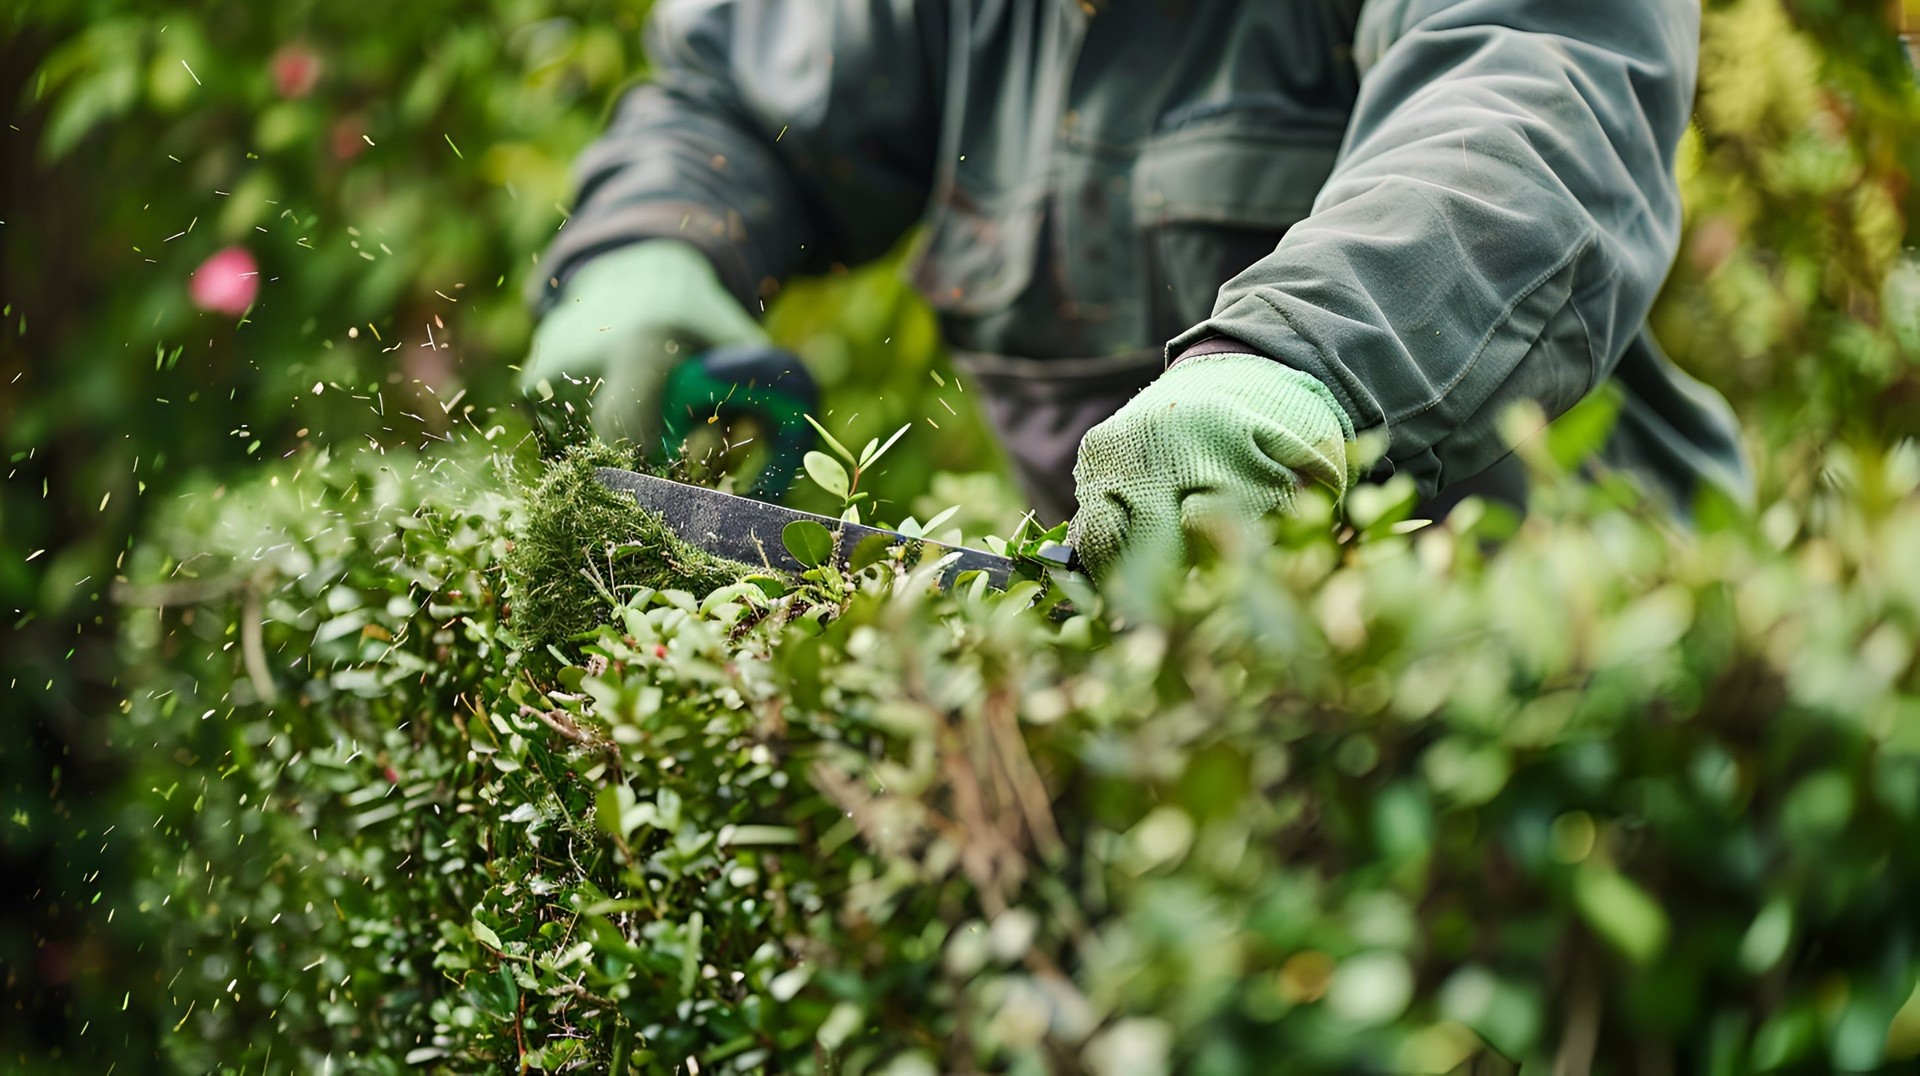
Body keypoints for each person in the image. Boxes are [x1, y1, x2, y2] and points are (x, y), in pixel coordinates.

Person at [523, 0, 1750, 578]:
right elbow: (736, 105)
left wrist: (1306, 364)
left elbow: (1540, 89)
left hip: (1560, 673)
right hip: (1185, 730)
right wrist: (649, 251)